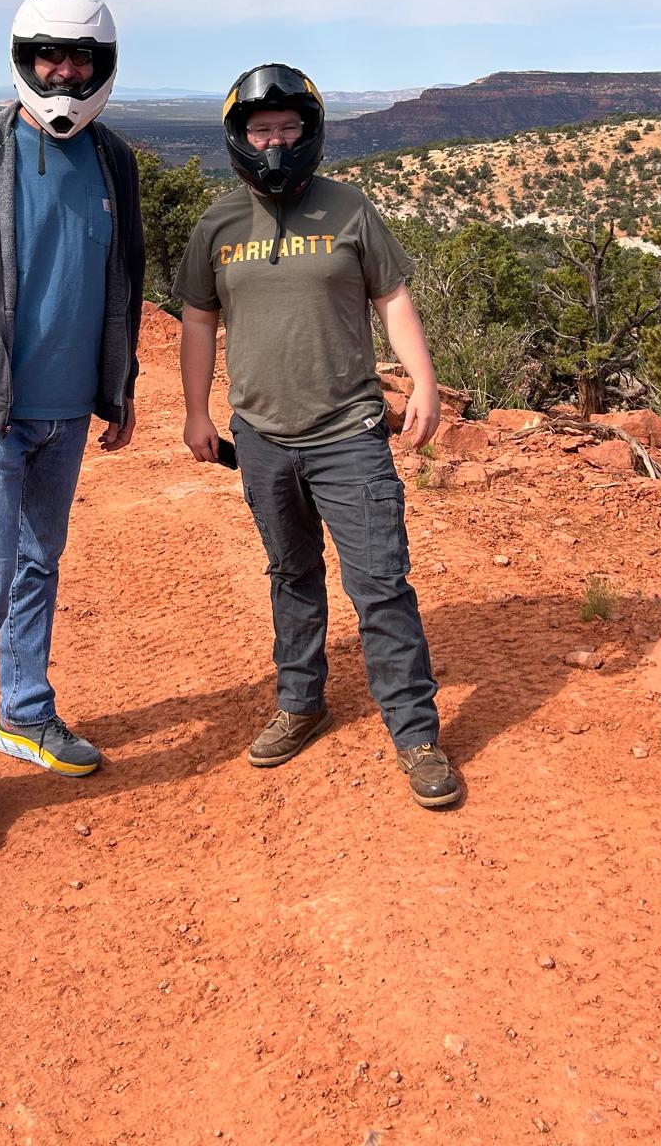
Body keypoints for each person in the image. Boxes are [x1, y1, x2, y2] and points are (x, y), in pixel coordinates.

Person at [172, 64, 462, 810]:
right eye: (262, 130)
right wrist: (196, 410)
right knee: (290, 574)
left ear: (309, 131)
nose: (275, 141)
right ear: (241, 137)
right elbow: (199, 320)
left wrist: (423, 381)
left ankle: (416, 733)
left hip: (349, 430)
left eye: (287, 128)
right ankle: (301, 703)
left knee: (379, 584)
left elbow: (392, 297)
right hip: (262, 435)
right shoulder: (219, 224)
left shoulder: (351, 209)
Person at [0, 0, 145, 845]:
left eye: (79, 58)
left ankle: (25, 713)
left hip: (67, 413)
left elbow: (123, 278)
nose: (63, 71)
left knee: (40, 561)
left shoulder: (114, 160)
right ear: (24, 57)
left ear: (101, 67)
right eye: (50, 55)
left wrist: (118, 389)